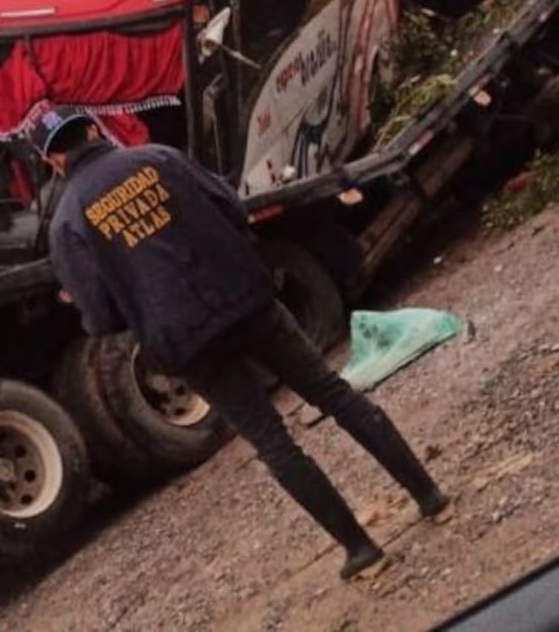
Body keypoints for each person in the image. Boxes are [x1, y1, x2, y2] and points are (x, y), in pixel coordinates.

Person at [29, 105, 450, 580]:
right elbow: (231, 207)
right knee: (334, 394)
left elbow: (102, 318)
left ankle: (361, 550)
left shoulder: (67, 225)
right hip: (248, 302)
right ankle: (430, 496)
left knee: (273, 442)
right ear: (92, 129)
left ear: (52, 162)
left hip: (189, 344)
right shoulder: (160, 159)